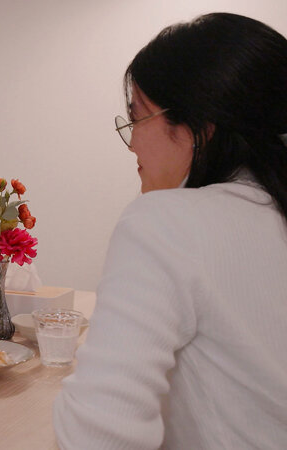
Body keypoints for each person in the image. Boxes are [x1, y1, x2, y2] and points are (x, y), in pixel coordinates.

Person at [54, 13, 287, 449]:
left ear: (201, 126)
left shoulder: (165, 222)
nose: (132, 143)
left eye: (137, 118)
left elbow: (99, 435)